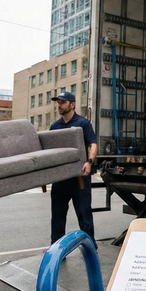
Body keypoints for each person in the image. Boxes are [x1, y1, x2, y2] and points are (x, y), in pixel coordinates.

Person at [49, 91, 98, 247]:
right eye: (58, 103)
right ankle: (56, 250)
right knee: (57, 217)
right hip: (60, 179)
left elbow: (93, 144)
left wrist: (89, 162)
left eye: (63, 102)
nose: (59, 105)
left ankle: (90, 248)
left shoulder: (83, 123)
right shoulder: (55, 126)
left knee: (84, 215)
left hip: (79, 178)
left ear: (72, 104)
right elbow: (49, 150)